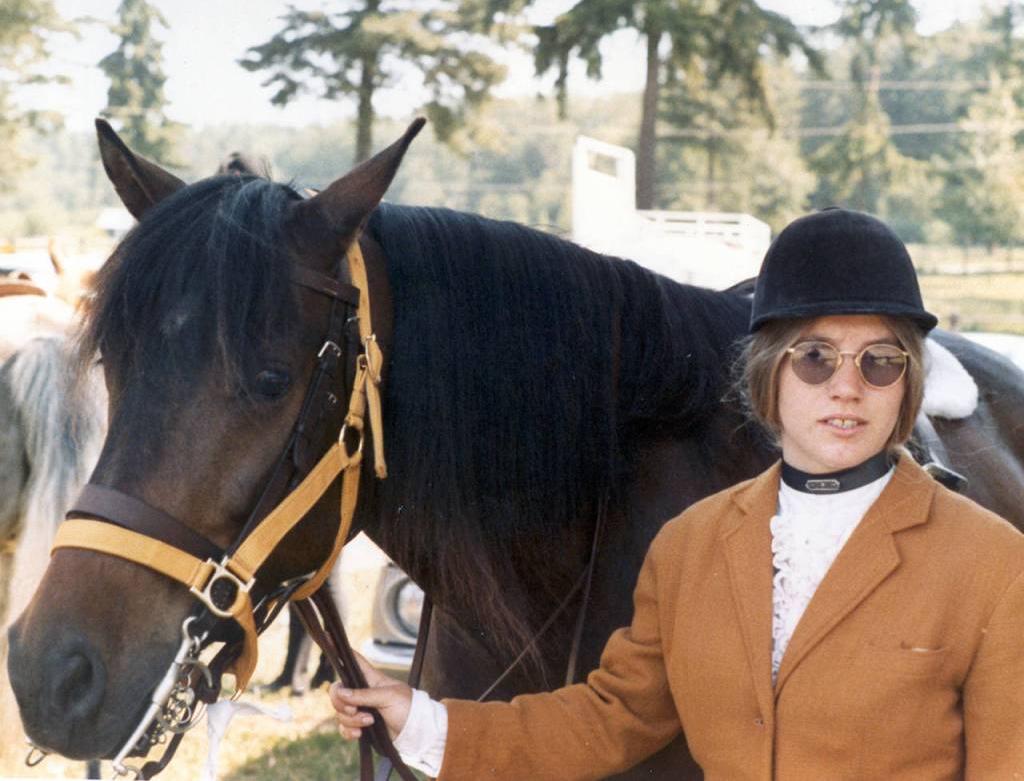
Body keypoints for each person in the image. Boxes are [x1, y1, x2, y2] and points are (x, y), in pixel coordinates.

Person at [329, 208, 1024, 779]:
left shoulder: (992, 563)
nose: (847, 386)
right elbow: (610, 721)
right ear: (768, 375)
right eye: (814, 358)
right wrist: (420, 720)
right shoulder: (691, 545)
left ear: (907, 385)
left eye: (880, 361)